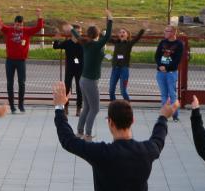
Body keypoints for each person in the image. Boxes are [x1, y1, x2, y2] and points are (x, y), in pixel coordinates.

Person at [0, 5, 44, 113]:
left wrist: (39, 16)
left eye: (20, 24)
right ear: (14, 23)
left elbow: (38, 28)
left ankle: (21, 104)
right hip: (10, 61)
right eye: (17, 24)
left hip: (21, 61)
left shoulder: (26, 31)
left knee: (22, 83)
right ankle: (12, 106)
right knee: (10, 83)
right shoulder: (9, 30)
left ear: (23, 24)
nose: (18, 26)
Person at [76, 10, 114, 139]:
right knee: (95, 108)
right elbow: (108, 35)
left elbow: (76, 35)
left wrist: (71, 29)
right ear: (97, 35)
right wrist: (110, 19)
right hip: (90, 81)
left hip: (84, 80)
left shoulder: (86, 43)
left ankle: (80, 132)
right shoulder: (97, 45)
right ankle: (88, 134)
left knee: (87, 107)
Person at [153, 25, 186, 122]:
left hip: (171, 72)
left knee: (172, 94)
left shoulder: (179, 44)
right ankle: (164, 115)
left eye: (167, 31)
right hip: (160, 72)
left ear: (173, 33)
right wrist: (160, 66)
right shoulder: (162, 42)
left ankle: (175, 115)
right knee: (163, 94)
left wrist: (166, 67)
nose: (165, 33)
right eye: (165, 31)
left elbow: (177, 60)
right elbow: (157, 56)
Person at [108, 26, 147, 102]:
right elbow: (106, 38)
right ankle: (113, 105)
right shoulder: (116, 42)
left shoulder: (129, 43)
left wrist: (142, 29)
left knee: (123, 91)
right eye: (120, 32)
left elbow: (137, 38)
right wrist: (105, 28)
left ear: (127, 35)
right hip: (115, 69)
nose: (121, 33)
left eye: (123, 32)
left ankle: (128, 105)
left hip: (124, 69)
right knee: (111, 90)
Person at [53, 24, 84, 115]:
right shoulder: (68, 43)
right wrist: (56, 39)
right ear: (72, 33)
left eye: (80, 32)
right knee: (66, 88)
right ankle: (65, 107)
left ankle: (79, 108)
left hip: (80, 69)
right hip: (70, 68)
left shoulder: (82, 43)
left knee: (79, 89)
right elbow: (56, 46)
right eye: (77, 32)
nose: (79, 33)